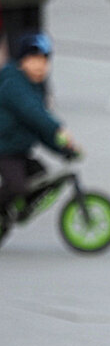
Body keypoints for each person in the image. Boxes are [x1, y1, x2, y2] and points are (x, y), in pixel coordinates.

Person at [0, 34, 80, 221]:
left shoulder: (34, 86)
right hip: (4, 150)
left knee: (42, 180)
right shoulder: (13, 84)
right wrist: (58, 128)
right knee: (18, 186)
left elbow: (39, 129)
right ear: (21, 61)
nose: (40, 66)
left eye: (44, 61)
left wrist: (62, 148)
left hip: (18, 150)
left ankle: (18, 211)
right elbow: (33, 113)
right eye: (34, 60)